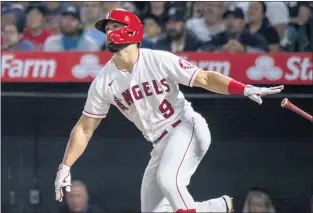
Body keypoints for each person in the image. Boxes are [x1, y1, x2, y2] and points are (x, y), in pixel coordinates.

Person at [54, 9, 284, 213]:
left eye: (115, 26)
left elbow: (204, 78)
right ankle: (217, 207)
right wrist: (65, 166)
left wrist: (242, 88)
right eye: (107, 28)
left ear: (132, 31)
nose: (109, 32)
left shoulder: (157, 59)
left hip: (186, 127)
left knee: (169, 180)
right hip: (159, 145)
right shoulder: (103, 81)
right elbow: (85, 127)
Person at [199, 7, 268, 53]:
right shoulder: (218, 37)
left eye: (234, 18)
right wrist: (222, 49)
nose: (230, 21)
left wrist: (244, 49)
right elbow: (202, 50)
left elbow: (263, 52)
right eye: (227, 18)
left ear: (243, 23)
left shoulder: (254, 37)